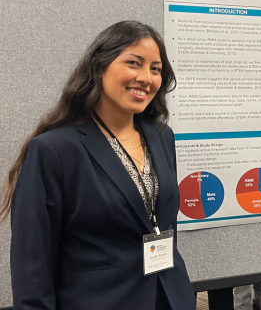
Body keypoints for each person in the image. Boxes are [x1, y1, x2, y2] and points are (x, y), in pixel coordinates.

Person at [5, 21, 196, 310]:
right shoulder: (55, 150)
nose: (146, 78)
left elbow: (164, 221)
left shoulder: (161, 136)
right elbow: (32, 262)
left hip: (169, 296)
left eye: (155, 69)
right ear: (99, 66)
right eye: (134, 63)